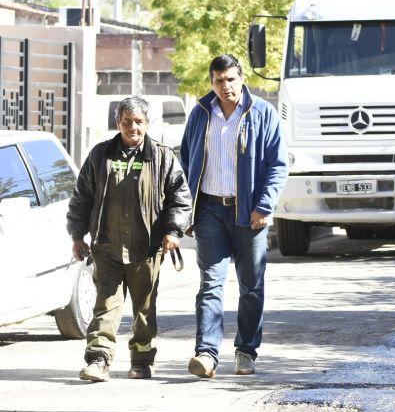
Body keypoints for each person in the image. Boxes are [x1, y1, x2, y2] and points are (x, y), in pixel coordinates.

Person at [67, 96, 192, 382]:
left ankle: (142, 361)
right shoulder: (100, 155)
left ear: (147, 124)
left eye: (138, 122)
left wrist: (173, 231)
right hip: (107, 247)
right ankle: (98, 360)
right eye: (127, 121)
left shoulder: (162, 156)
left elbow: (180, 198)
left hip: (145, 249)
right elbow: (81, 199)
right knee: (105, 305)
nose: (132, 127)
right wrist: (77, 236)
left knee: (144, 309)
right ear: (117, 123)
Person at [180, 54, 288, 378]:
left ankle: (245, 351)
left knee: (251, 286)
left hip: (249, 213)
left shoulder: (262, 114)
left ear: (241, 77)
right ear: (211, 82)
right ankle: (207, 353)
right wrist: (187, 212)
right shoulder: (201, 114)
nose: (224, 87)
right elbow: (186, 162)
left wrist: (264, 206)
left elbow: (278, 166)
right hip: (210, 210)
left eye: (229, 79)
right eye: (218, 81)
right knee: (210, 283)